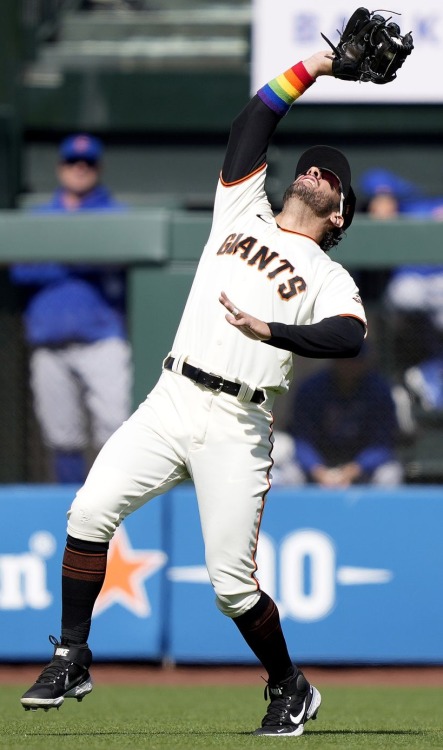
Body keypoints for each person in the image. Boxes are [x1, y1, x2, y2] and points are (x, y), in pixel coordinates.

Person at [20, 49, 367, 737]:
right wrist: (318, 65)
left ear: (339, 217)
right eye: (312, 164)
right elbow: (254, 119)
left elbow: (348, 335)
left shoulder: (328, 275)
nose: (317, 171)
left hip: (238, 423)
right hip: (171, 396)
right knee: (88, 510)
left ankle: (287, 686)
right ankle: (71, 654)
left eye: (333, 177)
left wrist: (268, 328)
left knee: (230, 586)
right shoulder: (241, 211)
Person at [10, 134, 133, 484]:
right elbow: (20, 269)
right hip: (49, 343)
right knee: (61, 434)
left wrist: (52, 258)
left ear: (98, 168)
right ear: (60, 167)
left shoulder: (114, 214)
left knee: (116, 427)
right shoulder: (38, 216)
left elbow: (116, 260)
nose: (80, 169)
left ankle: (116, 504)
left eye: (88, 163)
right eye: (72, 162)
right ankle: (69, 507)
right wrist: (80, 259)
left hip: (101, 339)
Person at [289, 347, 404, 487]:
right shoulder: (312, 389)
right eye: (344, 359)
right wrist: (318, 470)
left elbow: (383, 444)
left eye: (355, 360)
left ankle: (374, 510)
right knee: (290, 475)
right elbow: (302, 440)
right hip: (321, 463)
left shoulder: (379, 391)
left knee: (389, 474)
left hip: (361, 465)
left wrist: (355, 469)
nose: (349, 365)